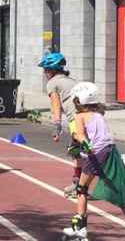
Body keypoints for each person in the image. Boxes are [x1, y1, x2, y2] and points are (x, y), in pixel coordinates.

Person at [62, 82, 125, 241]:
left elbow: (79, 135)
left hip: (96, 155)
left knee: (81, 188)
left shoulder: (79, 116)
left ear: (80, 101)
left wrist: (83, 145)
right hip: (111, 152)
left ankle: (80, 228)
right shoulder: (99, 114)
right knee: (119, 192)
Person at [38, 52, 81, 198]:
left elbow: (56, 106)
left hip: (77, 121)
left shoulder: (52, 84)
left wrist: (57, 126)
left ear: (52, 70)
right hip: (89, 118)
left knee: (78, 152)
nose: (44, 73)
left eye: (46, 70)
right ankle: (78, 184)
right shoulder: (71, 81)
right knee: (82, 152)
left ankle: (78, 186)